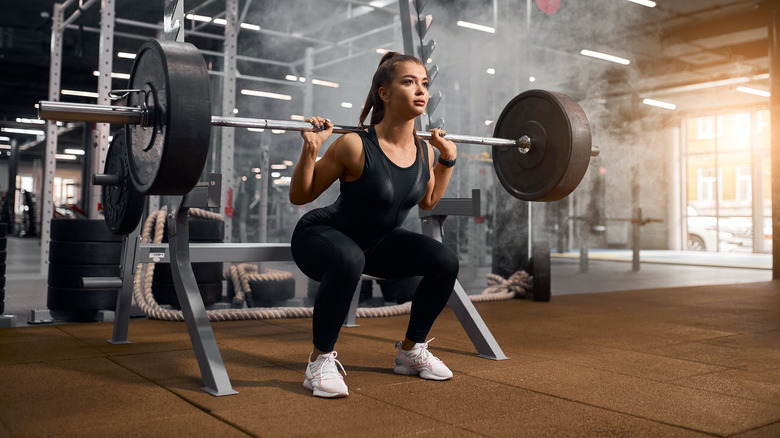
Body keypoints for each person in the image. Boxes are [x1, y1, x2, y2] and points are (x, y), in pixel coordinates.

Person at [289, 51, 459, 398]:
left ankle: (411, 351)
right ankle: (318, 362)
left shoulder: (424, 151)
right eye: (409, 82)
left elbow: (428, 201)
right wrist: (311, 149)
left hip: (375, 244)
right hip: (321, 236)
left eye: (424, 83)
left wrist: (448, 159)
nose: (420, 90)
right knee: (350, 258)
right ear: (384, 92)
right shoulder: (354, 144)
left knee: (445, 261)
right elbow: (300, 195)